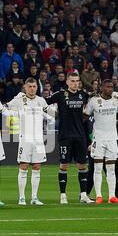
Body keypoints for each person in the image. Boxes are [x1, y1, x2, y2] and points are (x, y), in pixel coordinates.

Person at [44, 73, 93, 204]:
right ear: (67, 82)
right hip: (65, 135)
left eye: (77, 81)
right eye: (72, 81)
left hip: (80, 135)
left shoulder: (84, 95)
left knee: (82, 165)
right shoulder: (60, 95)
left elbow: (89, 113)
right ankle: (63, 195)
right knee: (64, 164)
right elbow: (44, 102)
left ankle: (83, 195)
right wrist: (50, 114)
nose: (75, 83)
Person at [6, 78, 50, 205]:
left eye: (34, 86)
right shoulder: (19, 100)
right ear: (25, 87)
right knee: (24, 166)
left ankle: (34, 198)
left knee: (37, 167)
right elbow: (4, 108)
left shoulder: (41, 101)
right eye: (29, 86)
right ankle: (21, 197)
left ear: (37, 87)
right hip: (25, 139)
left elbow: (51, 114)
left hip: (38, 140)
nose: (32, 88)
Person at [84, 79, 118, 204]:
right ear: (102, 87)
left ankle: (112, 196)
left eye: (112, 87)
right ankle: (99, 196)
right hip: (99, 138)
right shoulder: (94, 101)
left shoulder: (116, 100)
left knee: (111, 168)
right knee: (97, 167)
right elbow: (85, 116)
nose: (110, 89)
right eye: (107, 87)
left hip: (112, 138)